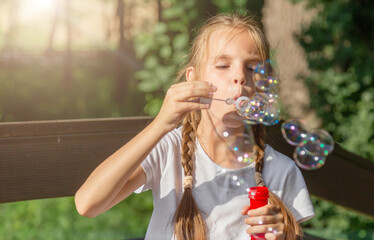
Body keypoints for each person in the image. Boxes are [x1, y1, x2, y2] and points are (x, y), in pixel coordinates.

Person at [75, 13, 315, 240]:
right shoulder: (168, 150)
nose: (240, 77)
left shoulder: (281, 171)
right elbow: (88, 204)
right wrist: (160, 125)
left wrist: (284, 235)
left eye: (252, 68)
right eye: (223, 66)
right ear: (194, 80)